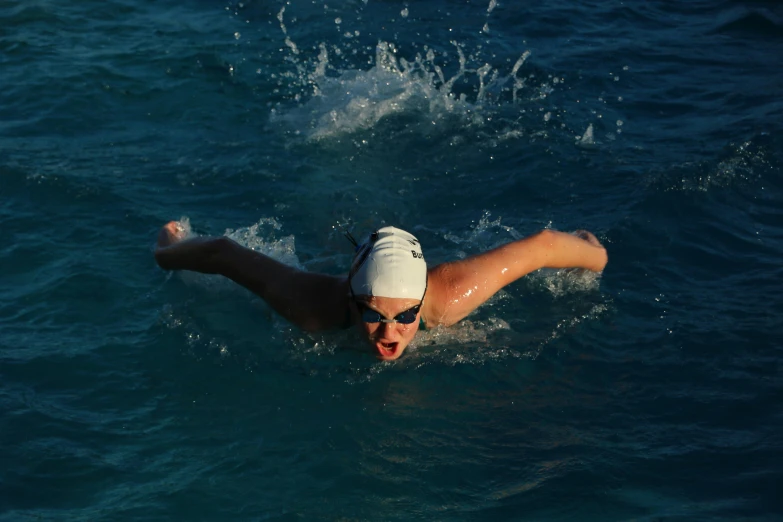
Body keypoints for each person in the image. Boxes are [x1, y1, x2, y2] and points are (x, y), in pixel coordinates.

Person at [154, 221, 608, 360]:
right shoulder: (313, 307)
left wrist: (595, 254)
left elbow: (543, 247)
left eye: (406, 316)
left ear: (421, 302)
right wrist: (168, 250)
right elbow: (221, 254)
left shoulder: (449, 298)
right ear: (351, 300)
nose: (390, 333)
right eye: (373, 314)